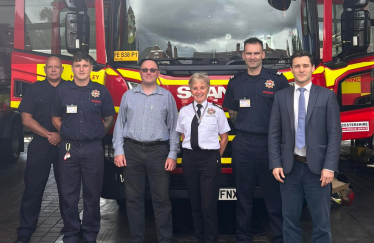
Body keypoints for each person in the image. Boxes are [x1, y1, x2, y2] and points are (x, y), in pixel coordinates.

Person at [268, 50, 341, 243]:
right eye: (297, 66)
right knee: (290, 220)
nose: (301, 70)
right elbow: (274, 133)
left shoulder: (327, 96)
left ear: (313, 68)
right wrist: (276, 163)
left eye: (305, 65)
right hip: (289, 169)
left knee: (321, 222)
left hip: (318, 171)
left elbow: (335, 134)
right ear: (291, 70)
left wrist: (329, 167)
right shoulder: (280, 97)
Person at [222, 37, 289, 243]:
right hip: (242, 143)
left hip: (270, 144)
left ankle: (279, 236)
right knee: (243, 195)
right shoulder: (235, 82)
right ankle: (243, 237)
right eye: (248, 53)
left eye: (256, 53)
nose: (252, 57)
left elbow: (286, 113)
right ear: (243, 55)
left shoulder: (277, 80)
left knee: (273, 195)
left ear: (263, 55)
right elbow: (232, 113)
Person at [112, 59, 179, 243]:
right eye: (145, 70)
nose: (148, 72)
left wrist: (173, 154)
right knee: (133, 200)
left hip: (159, 152)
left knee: (162, 200)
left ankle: (165, 239)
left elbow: (174, 128)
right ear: (140, 72)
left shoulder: (167, 97)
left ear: (158, 73)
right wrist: (119, 150)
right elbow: (120, 125)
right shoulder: (128, 96)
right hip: (131, 150)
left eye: (152, 70)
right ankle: (136, 239)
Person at [51, 52, 115, 243]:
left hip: (93, 148)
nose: (81, 69)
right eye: (77, 65)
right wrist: (68, 132)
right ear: (72, 68)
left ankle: (90, 233)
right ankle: (70, 232)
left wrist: (96, 134)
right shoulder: (62, 91)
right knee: (68, 193)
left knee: (92, 193)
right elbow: (55, 118)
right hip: (69, 147)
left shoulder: (100, 91)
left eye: (85, 65)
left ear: (91, 68)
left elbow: (109, 118)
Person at [14, 56, 65, 243]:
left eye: (56, 67)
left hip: (64, 146)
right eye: (50, 67)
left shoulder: (70, 89)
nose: (53, 70)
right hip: (39, 146)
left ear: (62, 69)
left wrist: (61, 135)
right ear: (45, 70)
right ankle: (24, 233)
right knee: (33, 191)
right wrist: (50, 135)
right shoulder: (34, 89)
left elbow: (76, 118)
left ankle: (71, 230)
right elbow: (26, 119)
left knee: (67, 191)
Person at [175, 73, 230, 243]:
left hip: (210, 159)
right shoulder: (184, 112)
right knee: (195, 205)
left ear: (208, 89)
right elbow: (184, 136)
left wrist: (214, 157)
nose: (199, 91)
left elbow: (224, 138)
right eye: (195, 88)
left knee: (208, 206)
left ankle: (211, 240)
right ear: (190, 90)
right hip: (190, 159)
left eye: (202, 87)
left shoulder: (217, 111)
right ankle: (200, 238)